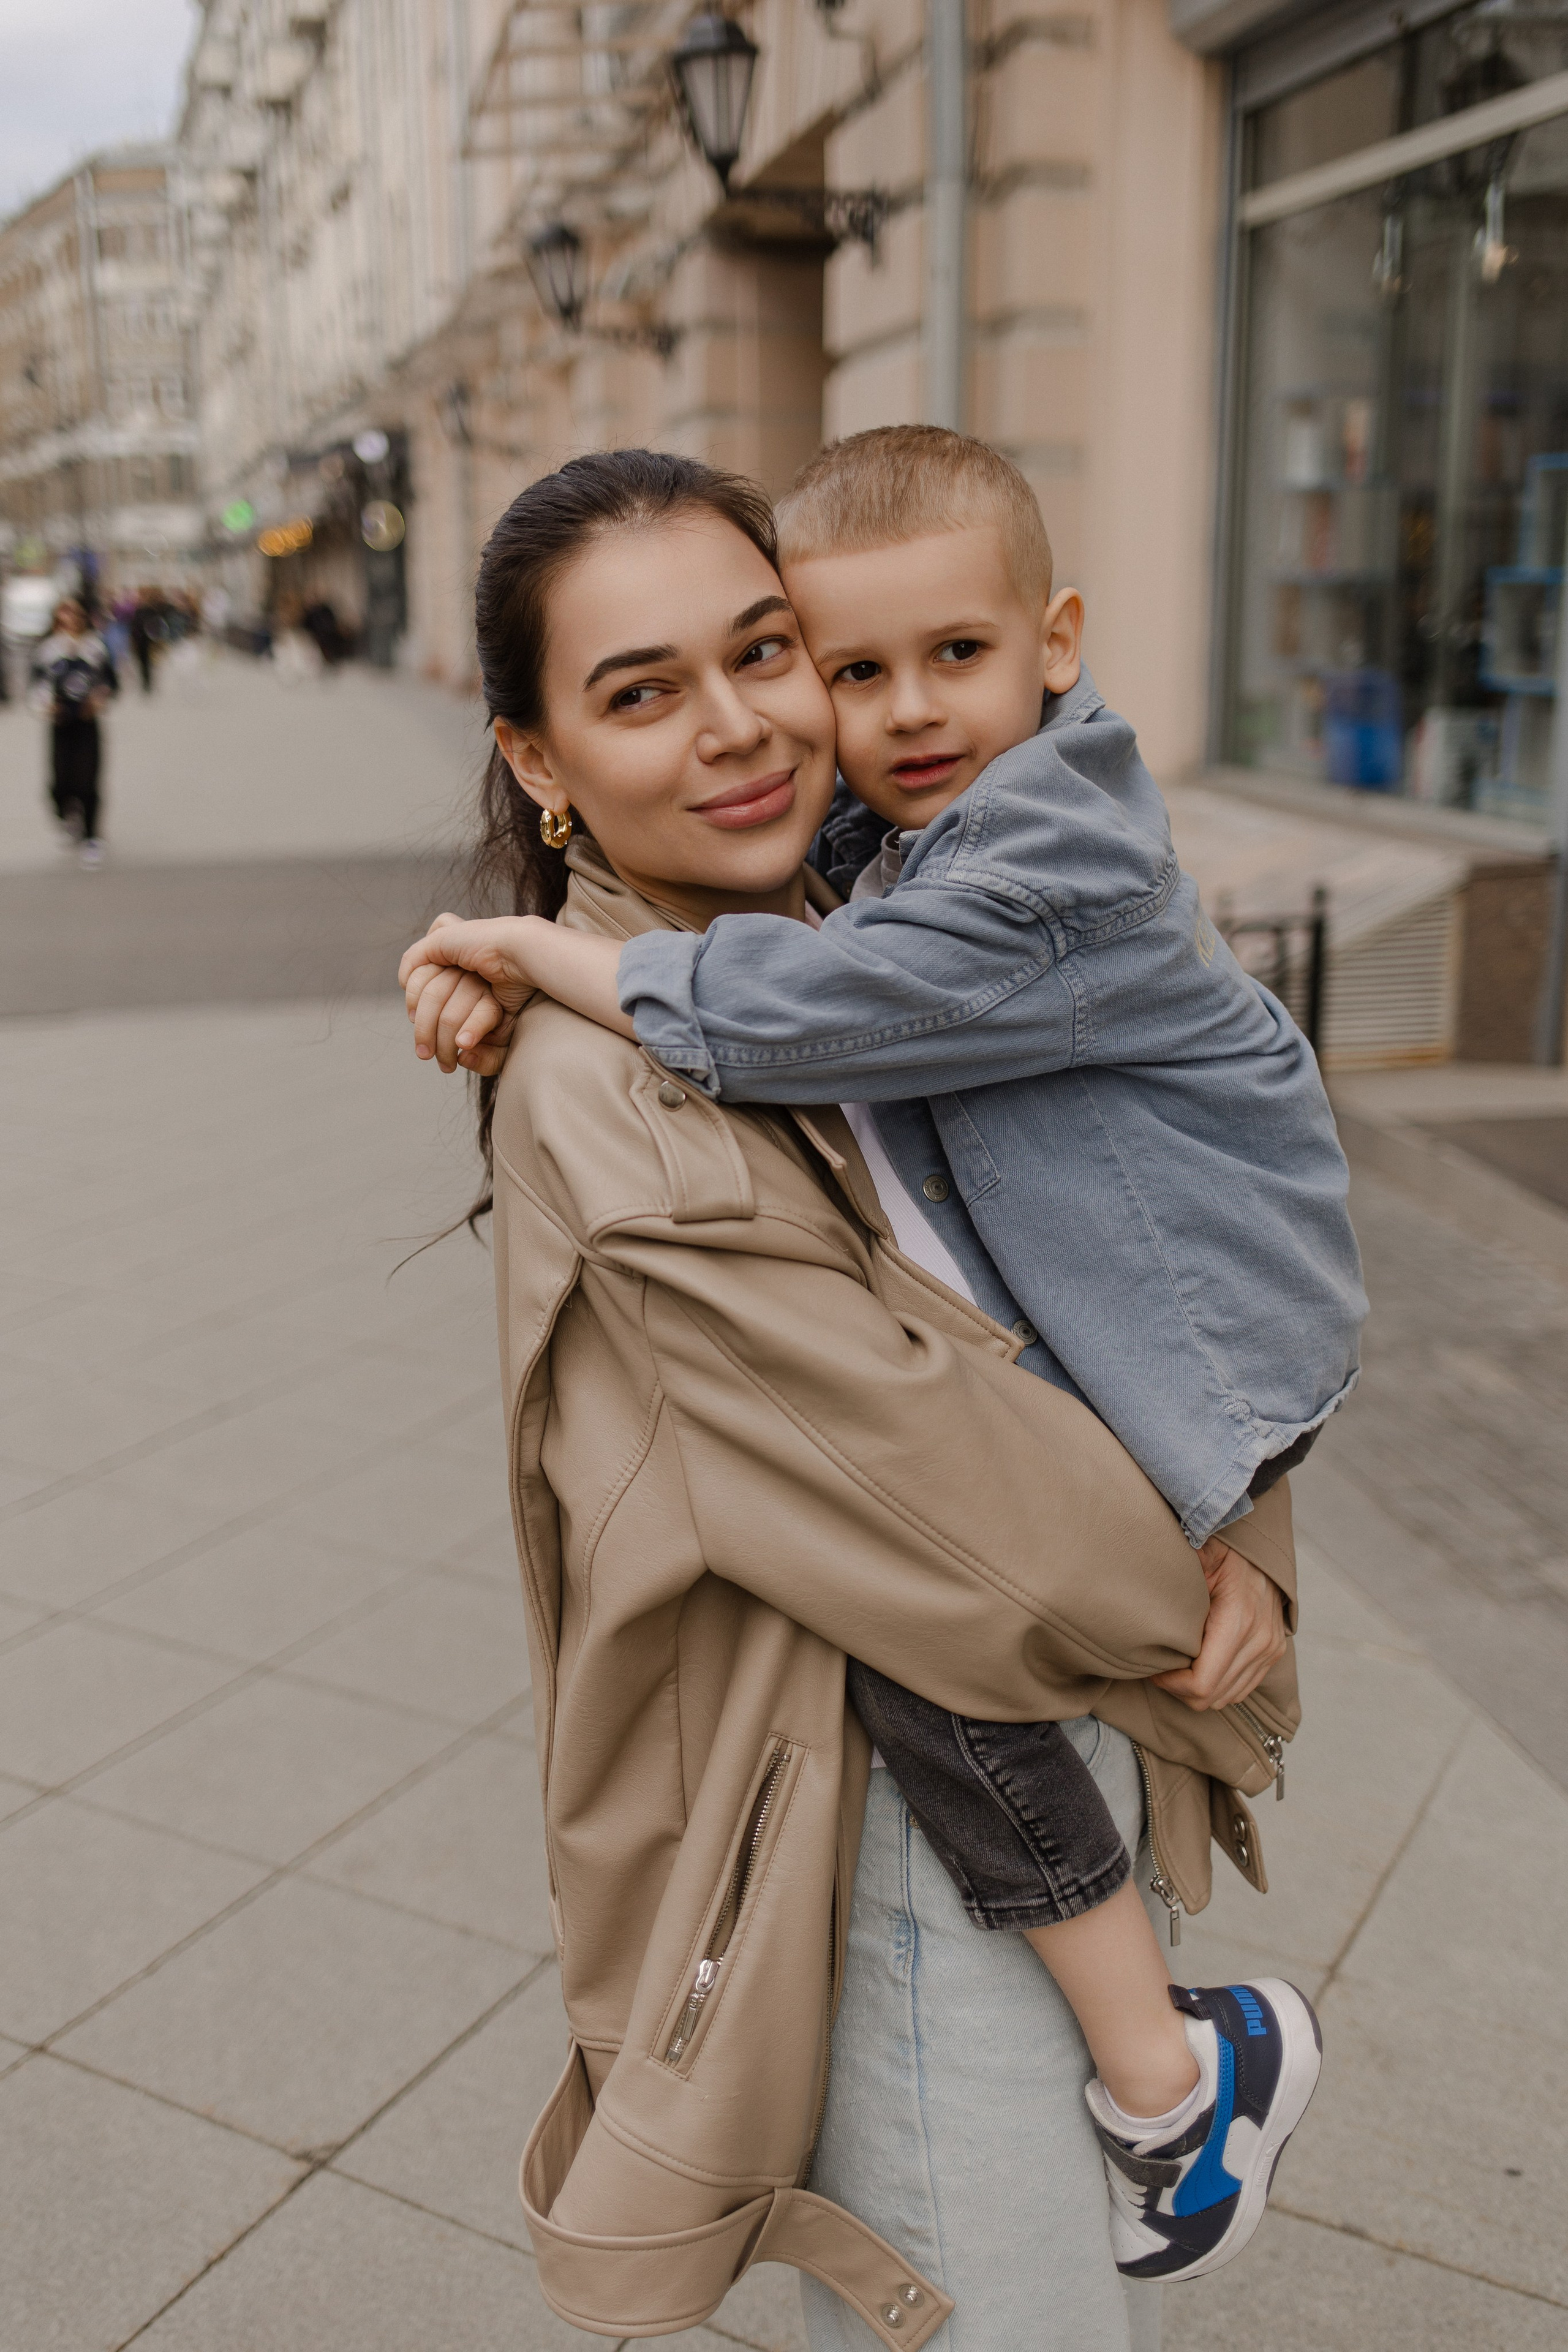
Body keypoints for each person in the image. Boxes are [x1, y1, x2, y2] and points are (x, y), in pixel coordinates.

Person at [402, 429, 1357, 2286]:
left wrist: (1257, 1505)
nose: (748, 725)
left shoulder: (869, 894)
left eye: (764, 653)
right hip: (914, 1843)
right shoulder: (626, 1094)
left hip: (1073, 1724)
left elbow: (1159, 1226)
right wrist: (1205, 1592)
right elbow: (939, 1483)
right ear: (539, 756)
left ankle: (1181, 2079)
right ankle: (1181, 2078)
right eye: (641, 691)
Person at [29, 597, 117, 867]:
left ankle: (91, 835)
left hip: (87, 722)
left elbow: (111, 682)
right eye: (64, 613)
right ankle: (67, 814)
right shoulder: (47, 650)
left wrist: (100, 698)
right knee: (60, 781)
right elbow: (36, 687)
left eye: (75, 613)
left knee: (88, 778)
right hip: (60, 723)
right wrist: (45, 706)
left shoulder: (94, 648)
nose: (70, 619)